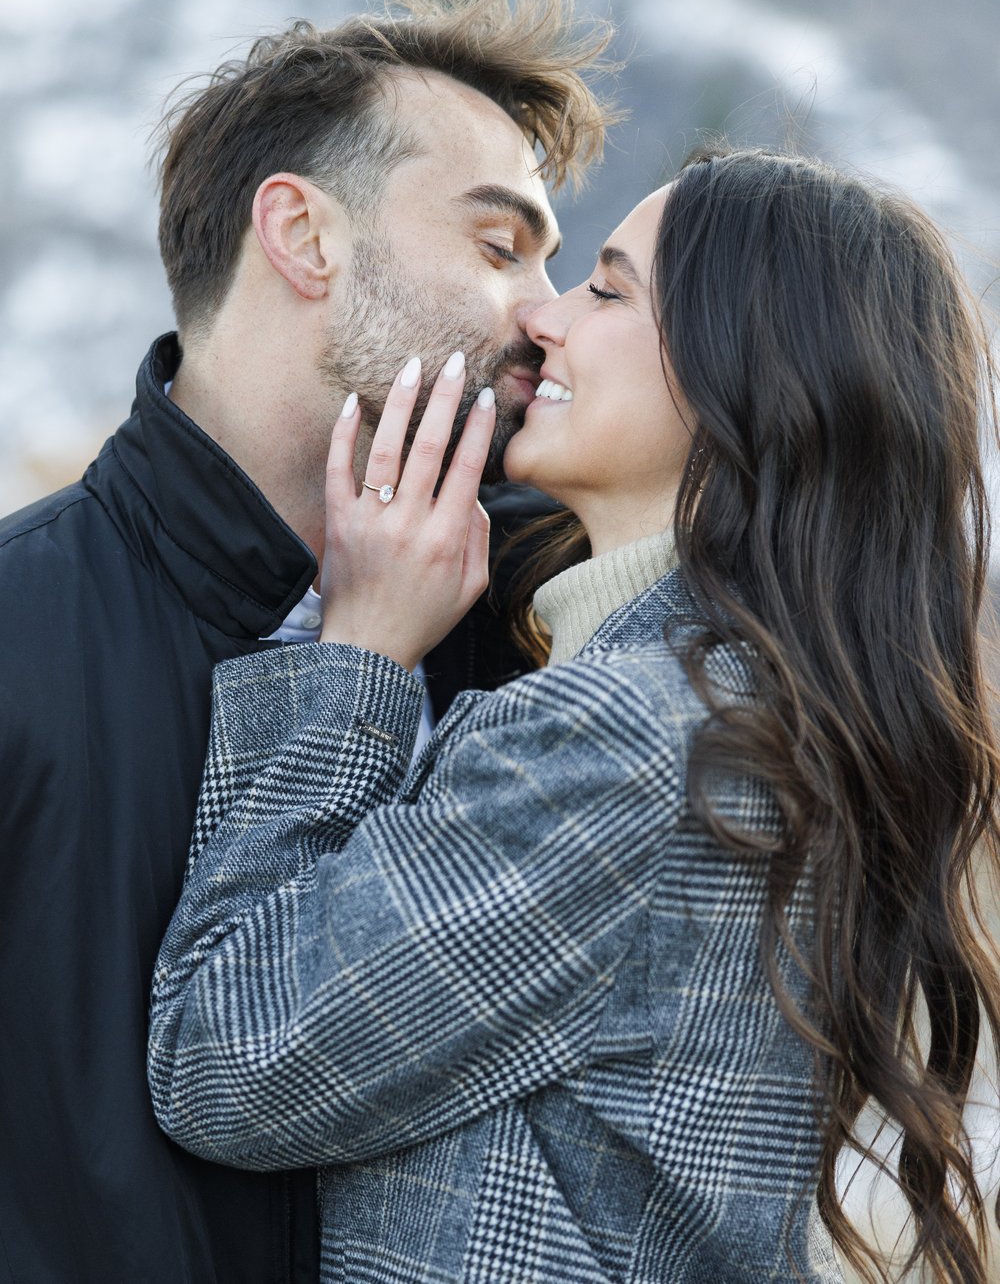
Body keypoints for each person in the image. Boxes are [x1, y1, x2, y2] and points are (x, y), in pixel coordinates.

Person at [148, 146, 1000, 1284]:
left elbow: (228, 1060)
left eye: (606, 291)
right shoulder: (776, 708)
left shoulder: (636, 736)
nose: (545, 320)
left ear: (742, 372)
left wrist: (356, 653)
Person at [0, 0, 615, 1283]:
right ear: (306, 237)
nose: (546, 316)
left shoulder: (554, 639)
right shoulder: (16, 636)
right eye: (503, 246)